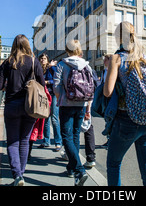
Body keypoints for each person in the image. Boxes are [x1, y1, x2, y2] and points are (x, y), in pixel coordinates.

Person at [103, 21, 146, 186]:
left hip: (127, 119)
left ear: (118, 38)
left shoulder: (117, 58)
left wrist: (108, 68)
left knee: (114, 164)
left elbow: (107, 91)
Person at [0, 34, 45, 186]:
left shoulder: (8, 62)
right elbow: (42, 84)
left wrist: (9, 86)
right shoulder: (33, 61)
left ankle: (17, 175)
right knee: (24, 141)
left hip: (11, 105)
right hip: (30, 106)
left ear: (14, 45)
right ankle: (21, 175)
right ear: (27, 45)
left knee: (12, 141)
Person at [53, 39, 97, 186]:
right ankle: (71, 168)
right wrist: (88, 107)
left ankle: (79, 170)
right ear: (79, 50)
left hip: (66, 104)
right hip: (82, 104)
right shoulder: (87, 65)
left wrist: (61, 98)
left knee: (66, 137)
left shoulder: (62, 64)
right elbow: (91, 87)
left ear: (67, 49)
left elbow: (57, 86)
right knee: (75, 135)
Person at [38, 53, 62, 151]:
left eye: (44, 58)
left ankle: (58, 142)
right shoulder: (39, 69)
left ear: (47, 60)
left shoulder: (51, 68)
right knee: (45, 118)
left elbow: (57, 80)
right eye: (41, 59)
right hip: (43, 95)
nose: (43, 60)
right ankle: (46, 141)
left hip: (53, 94)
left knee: (54, 118)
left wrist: (47, 82)